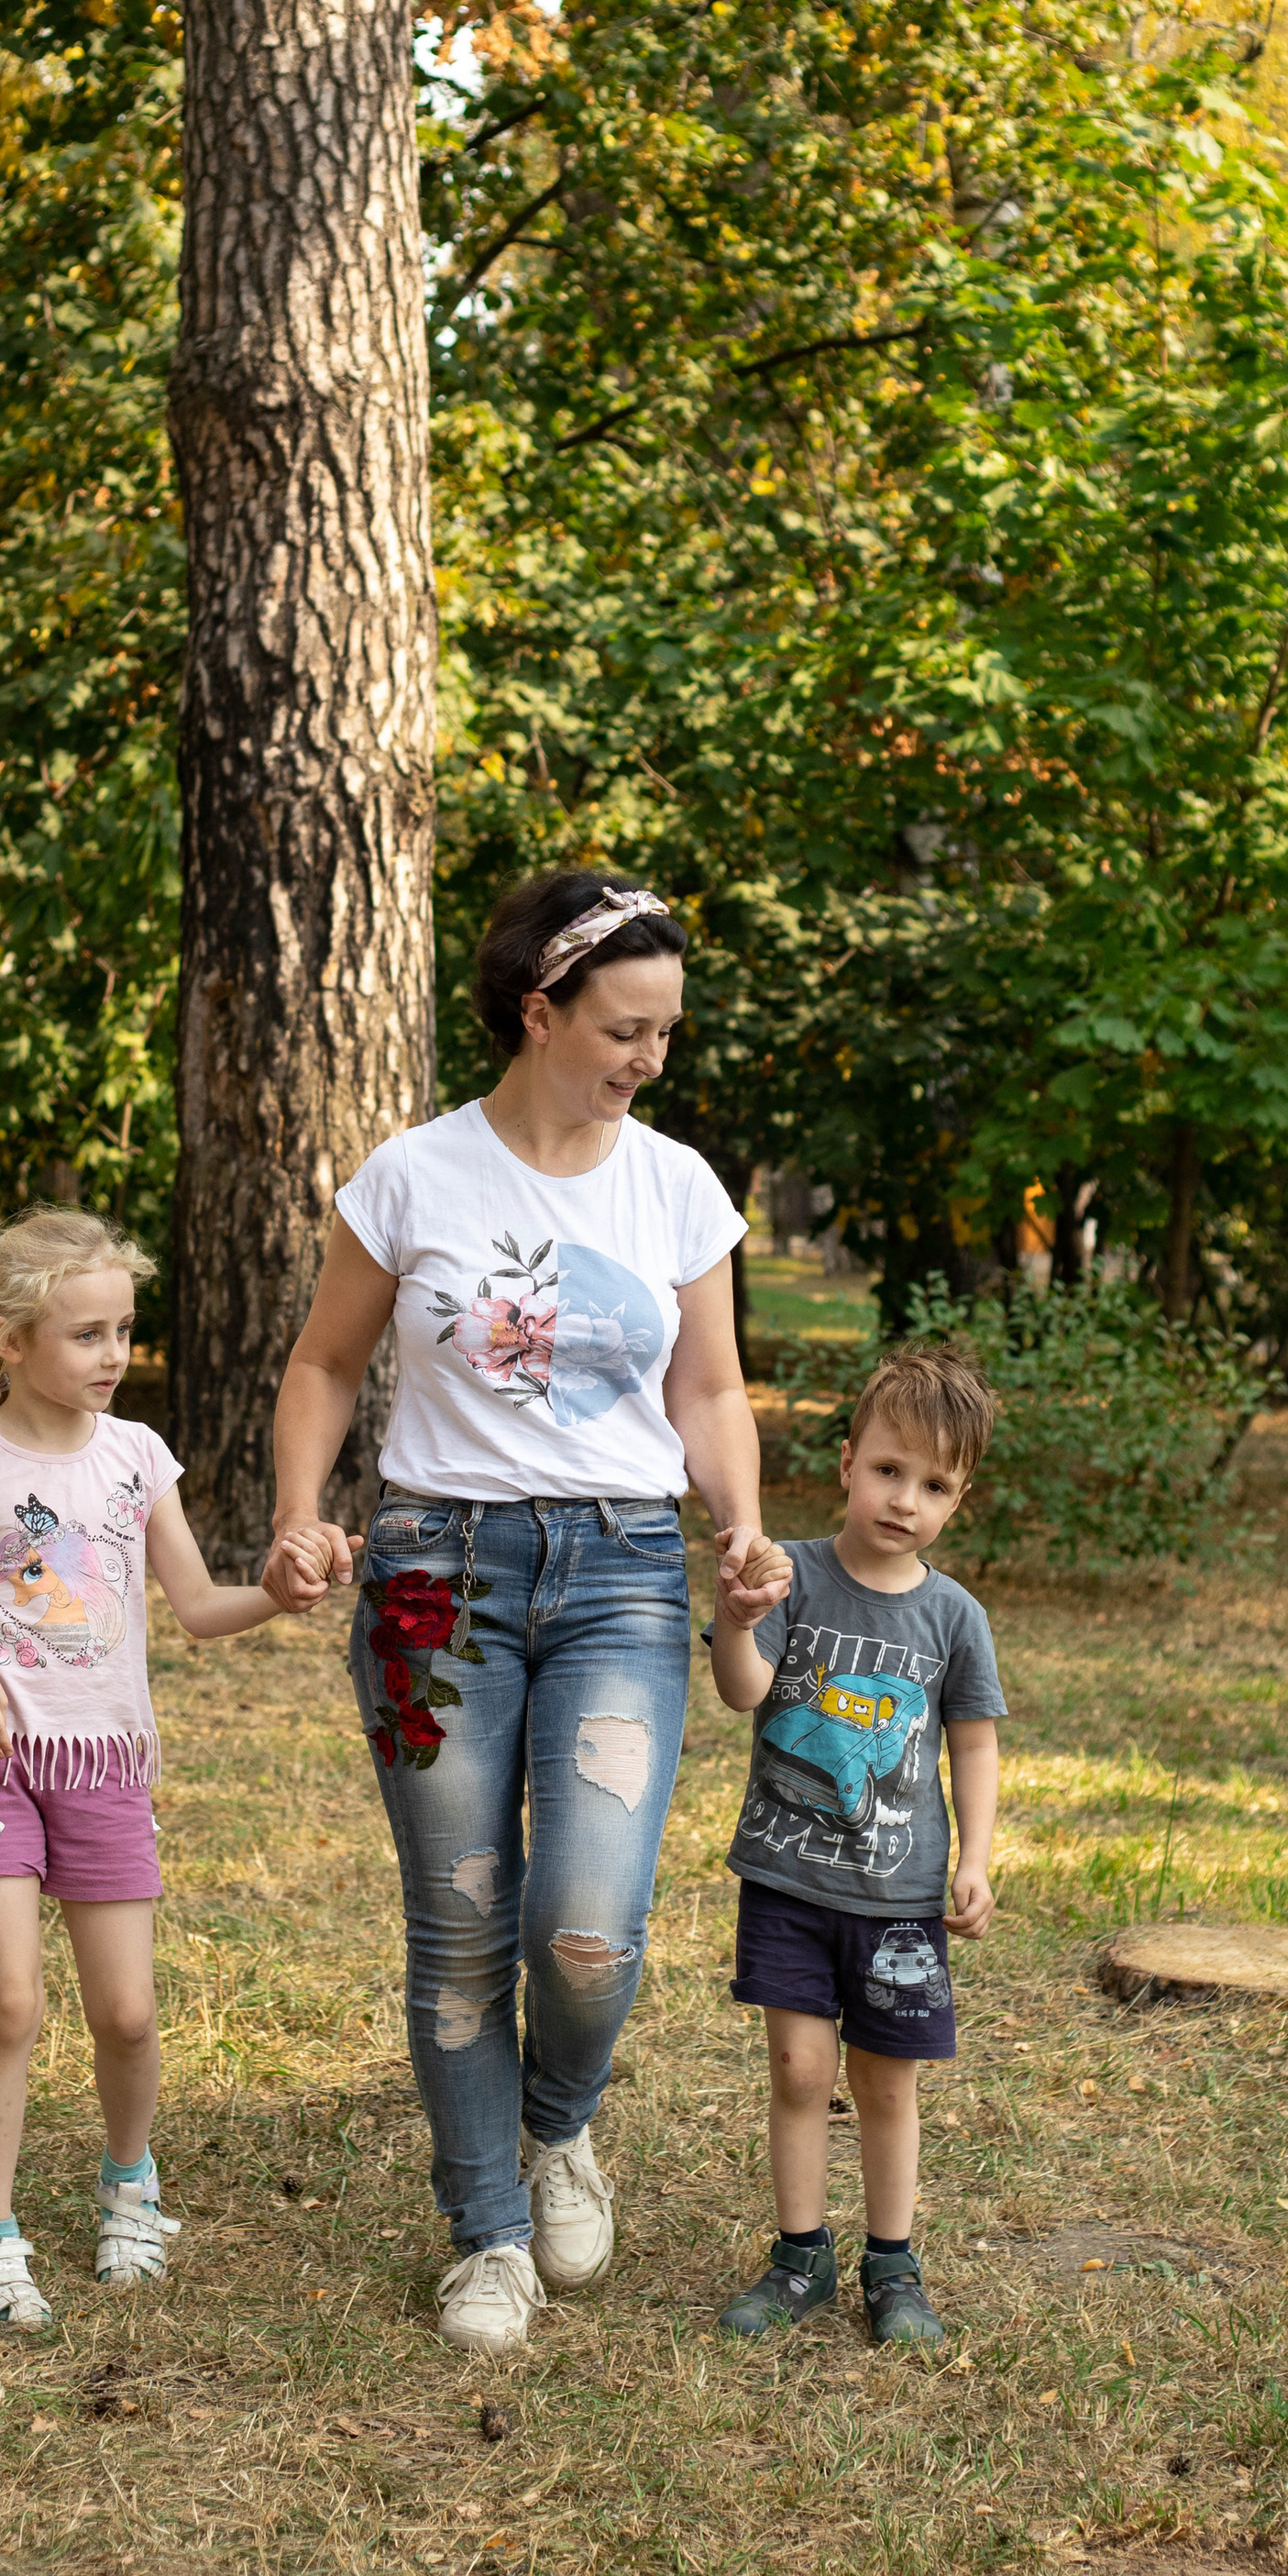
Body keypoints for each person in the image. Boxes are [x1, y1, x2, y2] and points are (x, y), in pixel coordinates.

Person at [263, 868, 791, 2360]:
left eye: (669, 1034)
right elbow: (321, 1365)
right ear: (538, 1011)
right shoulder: (413, 1178)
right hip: (436, 1582)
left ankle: (560, 2125)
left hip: (625, 1571)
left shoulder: (675, 1185)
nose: (648, 1060)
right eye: (625, 1028)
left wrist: (738, 1524)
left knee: (585, 1936)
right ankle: (486, 2228)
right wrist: (303, 1513)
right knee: (460, 1923)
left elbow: (707, 1389)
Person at [0, 1207, 323, 2330]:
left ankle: (131, 2182)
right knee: (12, 2003)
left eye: (123, 1330)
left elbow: (199, 1606)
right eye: (85, 1334)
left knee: (124, 2013)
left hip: (104, 1766)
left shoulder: (138, 1459)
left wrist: (277, 1589)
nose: (114, 1355)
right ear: (8, 1341)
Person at [708, 1344, 1005, 2349]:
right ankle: (799, 2257)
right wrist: (736, 1616)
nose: (903, 1500)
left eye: (933, 1485)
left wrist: (972, 1858)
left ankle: (892, 2262)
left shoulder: (952, 1617)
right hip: (788, 1880)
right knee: (797, 2069)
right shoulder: (792, 1574)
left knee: (885, 2080)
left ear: (956, 1501)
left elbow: (972, 1737)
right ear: (846, 1463)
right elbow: (744, 1692)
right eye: (888, 1470)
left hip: (899, 1896)